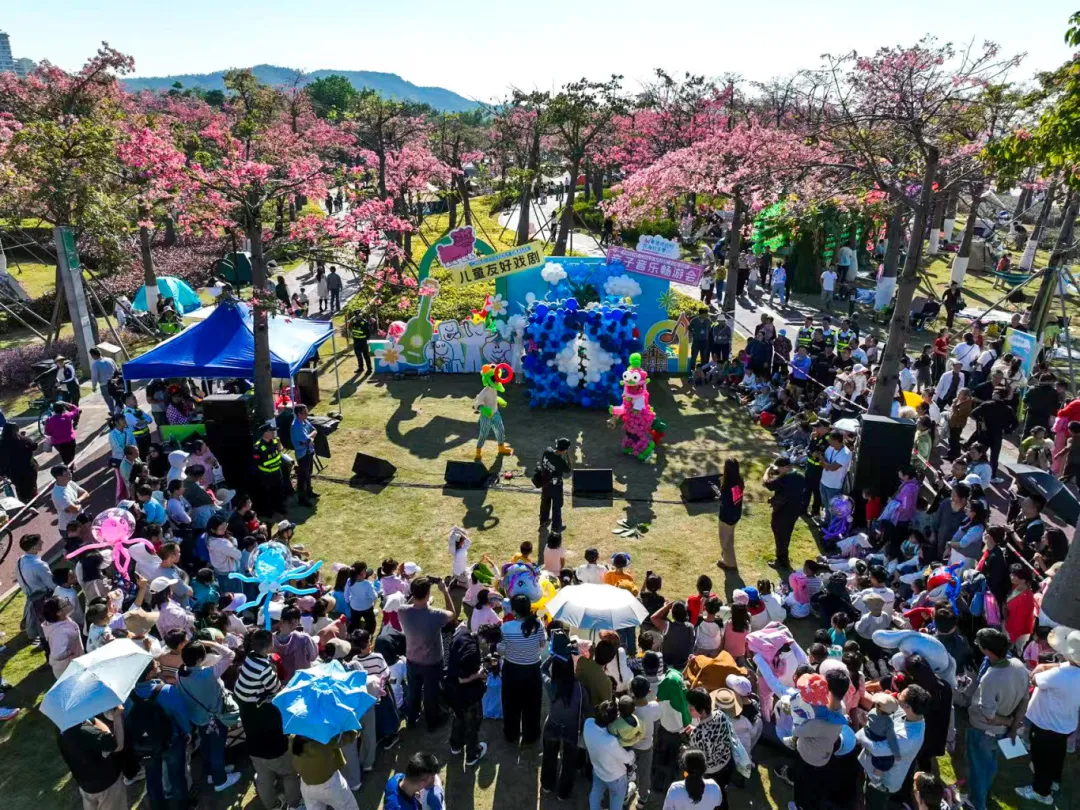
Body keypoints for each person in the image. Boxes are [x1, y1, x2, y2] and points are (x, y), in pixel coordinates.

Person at [963, 628, 1029, 810]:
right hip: (1001, 732)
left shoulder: (991, 677)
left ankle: (977, 803)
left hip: (983, 730)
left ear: (986, 651)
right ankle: (985, 792)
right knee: (990, 764)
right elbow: (1025, 699)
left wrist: (1009, 722)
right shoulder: (1018, 664)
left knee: (977, 768)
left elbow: (989, 715)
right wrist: (1014, 726)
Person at [1014, 626, 1080, 805]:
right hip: (1065, 723)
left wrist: (1040, 668)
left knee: (1041, 758)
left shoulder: (1060, 676)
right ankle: (1055, 781)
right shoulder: (1070, 670)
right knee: (1057, 754)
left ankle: (1041, 792)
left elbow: (1035, 679)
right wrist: (1046, 665)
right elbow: (1062, 665)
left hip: (1046, 724)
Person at [177, 639, 241, 793]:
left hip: (198, 719)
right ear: (200, 659)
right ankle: (221, 780)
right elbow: (230, 654)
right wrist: (211, 643)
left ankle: (213, 772)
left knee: (206, 746)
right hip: (215, 719)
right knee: (217, 748)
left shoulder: (179, 674)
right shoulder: (209, 673)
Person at [398, 576, 456, 730]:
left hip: (412, 660)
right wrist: (445, 591)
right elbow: (452, 613)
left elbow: (409, 604)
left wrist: (418, 593)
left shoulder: (402, 611)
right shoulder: (436, 615)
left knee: (413, 692)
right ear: (428, 593)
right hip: (432, 663)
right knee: (431, 695)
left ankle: (411, 719)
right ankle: (432, 723)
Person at [57, 707, 128, 810]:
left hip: (85, 784)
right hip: (107, 784)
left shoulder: (60, 728)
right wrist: (117, 716)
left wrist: (90, 719)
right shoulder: (87, 732)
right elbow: (117, 746)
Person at [499, 593, 546, 744]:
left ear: (513, 611)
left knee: (511, 703)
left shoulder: (506, 627)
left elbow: (502, 649)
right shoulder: (538, 625)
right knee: (532, 705)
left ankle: (511, 734)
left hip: (512, 670)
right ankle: (531, 735)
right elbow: (542, 644)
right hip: (533, 670)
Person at [541, 654, 587, 798]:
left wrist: (552, 656)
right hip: (572, 729)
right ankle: (563, 792)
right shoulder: (580, 688)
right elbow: (584, 708)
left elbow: (542, 669)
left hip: (553, 725)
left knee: (549, 756)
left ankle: (547, 784)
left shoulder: (551, 685)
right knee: (569, 762)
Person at [445, 619, 488, 765]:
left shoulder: (460, 636)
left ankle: (455, 745)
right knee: (472, 724)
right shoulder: (472, 652)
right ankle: (472, 754)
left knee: (458, 718)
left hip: (453, 693)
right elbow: (462, 679)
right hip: (468, 695)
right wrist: (479, 674)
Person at [583, 699, 636, 810]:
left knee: (595, 793)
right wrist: (632, 753)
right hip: (615, 777)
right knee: (616, 801)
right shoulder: (610, 741)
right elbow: (627, 759)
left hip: (597, 770)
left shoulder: (588, 723)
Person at [291, 731, 359, 810]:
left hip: (306, 785)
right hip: (330, 784)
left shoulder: (292, 739)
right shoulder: (325, 738)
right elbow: (350, 737)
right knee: (348, 807)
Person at [763, 457, 805, 570]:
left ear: (786, 467)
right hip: (794, 512)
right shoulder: (800, 476)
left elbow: (767, 483)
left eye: (779, 468)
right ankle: (784, 558)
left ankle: (781, 561)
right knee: (786, 536)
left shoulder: (784, 479)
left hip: (782, 512)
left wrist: (767, 471)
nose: (777, 471)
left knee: (780, 536)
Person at [970, 387, 1017, 482]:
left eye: (995, 393)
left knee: (979, 453)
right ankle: (992, 476)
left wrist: (981, 422)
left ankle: (974, 471)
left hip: (985, 433)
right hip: (997, 435)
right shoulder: (1007, 409)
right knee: (994, 457)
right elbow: (1015, 423)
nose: (993, 394)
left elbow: (973, 413)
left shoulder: (986, 405)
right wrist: (1007, 430)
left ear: (999, 395)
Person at [537, 438, 572, 532]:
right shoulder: (561, 462)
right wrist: (568, 454)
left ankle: (543, 520)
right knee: (557, 506)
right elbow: (569, 469)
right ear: (565, 450)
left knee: (545, 502)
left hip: (545, 482)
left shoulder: (547, 450)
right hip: (556, 486)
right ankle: (556, 526)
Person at [252, 421, 285, 517]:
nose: (274, 433)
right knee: (267, 494)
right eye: (272, 431)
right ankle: (269, 512)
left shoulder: (274, 441)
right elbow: (257, 463)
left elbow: (279, 450)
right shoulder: (258, 447)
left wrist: (279, 443)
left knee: (279, 491)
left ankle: (279, 508)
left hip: (277, 472)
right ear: (265, 433)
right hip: (266, 475)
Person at [716, 458, 743, 570]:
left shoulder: (728, 486)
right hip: (735, 515)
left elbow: (725, 501)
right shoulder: (739, 480)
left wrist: (718, 493)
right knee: (729, 538)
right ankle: (727, 559)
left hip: (727, 517)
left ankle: (730, 563)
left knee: (725, 542)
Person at [291, 404, 318, 506]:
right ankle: (302, 499)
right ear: (298, 414)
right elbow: (307, 440)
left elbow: (314, 431)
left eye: (307, 411)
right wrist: (309, 439)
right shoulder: (296, 427)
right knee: (303, 477)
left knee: (309, 473)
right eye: (304, 412)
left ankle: (309, 492)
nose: (307, 414)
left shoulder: (304, 421)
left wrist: (310, 438)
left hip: (309, 451)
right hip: (302, 455)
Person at [818, 431, 851, 517]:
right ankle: (826, 522)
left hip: (834, 486)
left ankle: (832, 528)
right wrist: (824, 462)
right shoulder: (830, 448)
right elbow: (825, 460)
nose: (828, 441)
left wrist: (823, 462)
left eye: (830, 440)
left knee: (832, 508)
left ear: (836, 441)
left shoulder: (846, 453)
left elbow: (833, 468)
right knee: (826, 505)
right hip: (823, 482)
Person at [51, 465, 89, 537]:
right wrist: (78, 505)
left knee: (90, 534)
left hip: (79, 517)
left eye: (70, 472)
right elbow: (75, 510)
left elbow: (86, 493)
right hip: (69, 527)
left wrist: (78, 501)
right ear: (59, 477)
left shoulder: (70, 483)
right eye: (67, 474)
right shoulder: (59, 495)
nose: (70, 475)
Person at [44, 401, 80, 467]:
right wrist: (65, 403)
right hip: (70, 441)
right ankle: (71, 466)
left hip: (58, 444)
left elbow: (47, 433)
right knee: (71, 455)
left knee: (65, 457)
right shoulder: (68, 416)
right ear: (63, 409)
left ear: (54, 410)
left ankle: (68, 469)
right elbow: (76, 409)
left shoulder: (49, 420)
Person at [122, 393, 154, 459]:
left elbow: (150, 419)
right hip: (137, 440)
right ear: (127, 401)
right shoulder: (127, 414)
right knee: (142, 457)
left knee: (149, 454)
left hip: (146, 436)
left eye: (135, 398)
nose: (136, 400)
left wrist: (144, 421)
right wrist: (145, 420)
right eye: (133, 398)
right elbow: (139, 425)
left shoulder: (137, 410)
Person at [89, 348, 118, 415]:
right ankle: (119, 410)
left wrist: (94, 386)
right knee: (117, 398)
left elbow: (94, 376)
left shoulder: (95, 364)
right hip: (114, 382)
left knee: (109, 400)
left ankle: (114, 413)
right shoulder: (110, 359)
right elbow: (116, 370)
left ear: (93, 355)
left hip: (104, 384)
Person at [348, 308, 375, 375]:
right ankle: (360, 368)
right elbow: (350, 327)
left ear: (361, 315)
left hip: (363, 342)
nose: (358, 317)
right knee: (358, 356)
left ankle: (369, 369)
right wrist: (351, 333)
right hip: (356, 341)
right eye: (357, 316)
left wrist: (365, 339)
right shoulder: (353, 321)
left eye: (359, 316)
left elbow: (368, 333)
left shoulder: (365, 323)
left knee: (366, 356)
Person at [689, 308, 711, 373]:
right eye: (706, 313)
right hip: (696, 341)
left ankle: (703, 369)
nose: (707, 315)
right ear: (701, 314)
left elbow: (709, 328)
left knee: (704, 356)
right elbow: (689, 327)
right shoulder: (694, 320)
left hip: (705, 341)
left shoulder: (708, 320)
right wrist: (694, 333)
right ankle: (692, 369)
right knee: (694, 356)